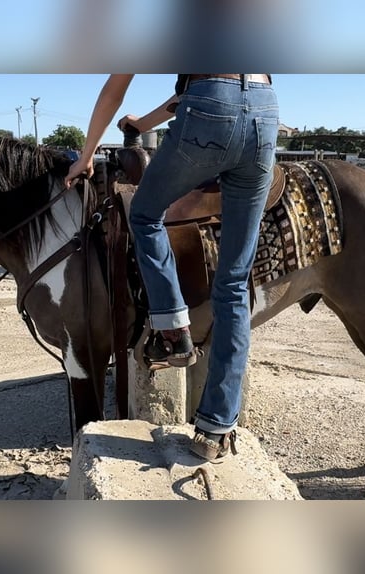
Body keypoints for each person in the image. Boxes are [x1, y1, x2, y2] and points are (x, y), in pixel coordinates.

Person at [65, 74, 279, 462]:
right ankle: (215, 429)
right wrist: (143, 124)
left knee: (145, 214)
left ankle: (172, 328)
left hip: (209, 109)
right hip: (265, 111)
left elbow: (118, 87)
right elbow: (214, 84)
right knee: (232, 284)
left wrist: (86, 154)